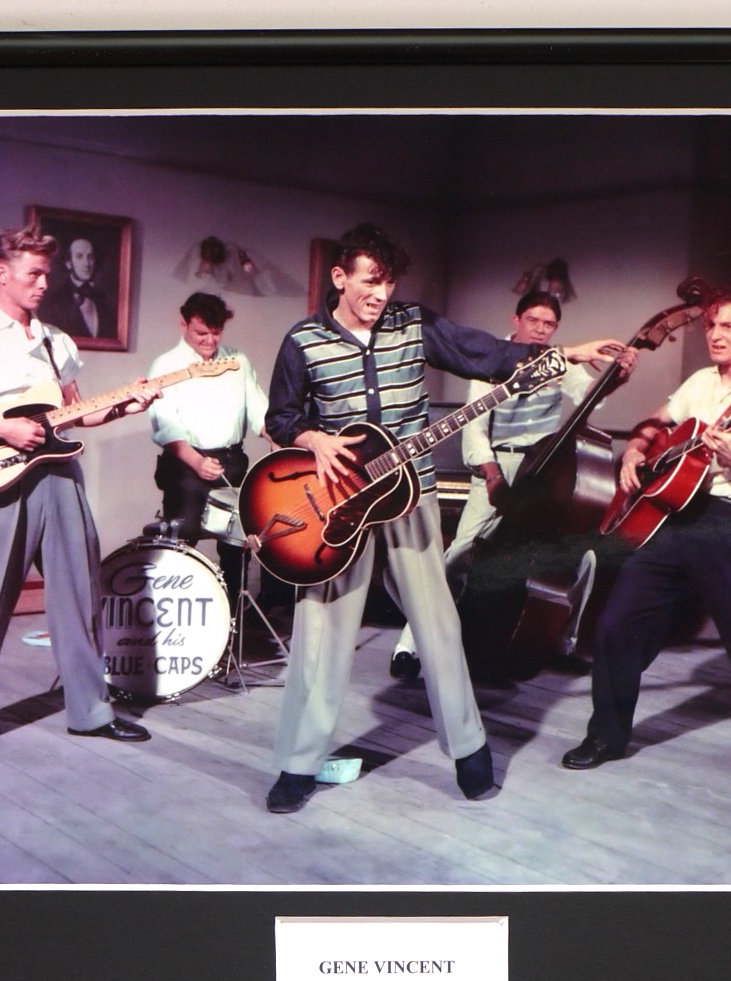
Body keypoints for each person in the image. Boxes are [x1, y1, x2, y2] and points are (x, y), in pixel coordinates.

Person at [261, 222, 627, 813]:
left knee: (438, 625)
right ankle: (299, 764)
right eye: (369, 282)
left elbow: (487, 353)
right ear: (339, 277)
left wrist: (568, 355)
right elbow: (279, 418)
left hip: (412, 495)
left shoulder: (414, 323)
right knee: (320, 634)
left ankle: (469, 749)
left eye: (388, 282)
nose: (380, 294)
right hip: (340, 502)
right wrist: (310, 437)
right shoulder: (303, 341)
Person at [561, 286, 731, 780]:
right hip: (674, 518)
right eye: (711, 325)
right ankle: (606, 736)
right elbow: (653, 424)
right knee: (617, 625)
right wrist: (633, 452)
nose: (715, 334)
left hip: (730, 525)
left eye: (729, 326)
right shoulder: (700, 382)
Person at [0, 224, 158, 756]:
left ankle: (91, 713)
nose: (45, 283)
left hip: (59, 479)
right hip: (0, 478)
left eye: (48, 273)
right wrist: (2, 429)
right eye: (35, 273)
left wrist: (125, 405)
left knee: (79, 594)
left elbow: (77, 413)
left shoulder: (57, 342)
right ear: (2, 274)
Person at [388, 289, 594, 679]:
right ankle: (410, 646)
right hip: (496, 464)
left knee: (582, 555)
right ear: (516, 320)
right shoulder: (494, 359)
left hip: (545, 468)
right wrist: (493, 476)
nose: (540, 330)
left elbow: (591, 399)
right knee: (457, 555)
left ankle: (563, 642)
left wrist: (617, 373)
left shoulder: (557, 362)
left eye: (549, 324)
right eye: (533, 320)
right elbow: (475, 429)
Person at [147, 291, 272, 611]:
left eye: (216, 333)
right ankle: (177, 613)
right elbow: (166, 426)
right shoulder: (165, 365)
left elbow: (259, 410)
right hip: (185, 463)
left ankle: (231, 616)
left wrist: (276, 440)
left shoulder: (238, 361)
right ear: (183, 324)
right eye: (201, 333)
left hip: (231, 459)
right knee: (184, 536)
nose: (209, 341)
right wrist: (197, 462)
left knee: (236, 544)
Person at [42, 236, 117, 339]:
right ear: (69, 263)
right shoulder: (55, 304)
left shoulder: (103, 302)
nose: (86, 263)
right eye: (79, 256)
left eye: (90, 257)